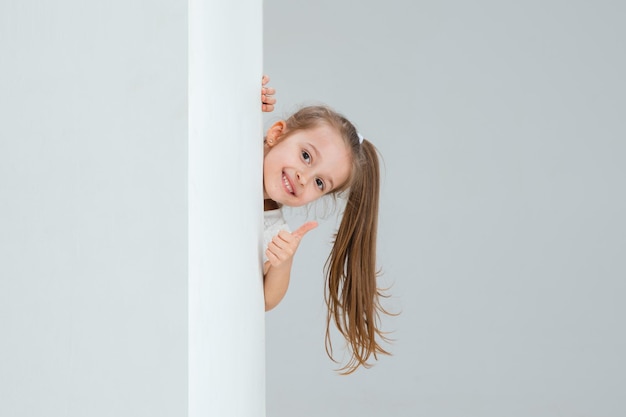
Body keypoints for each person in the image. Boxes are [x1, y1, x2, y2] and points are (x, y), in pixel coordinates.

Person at [261, 76, 390, 374]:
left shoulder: (273, 229)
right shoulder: (236, 147)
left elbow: (267, 299)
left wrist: (283, 262)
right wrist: (241, 102)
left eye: (319, 182)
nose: (303, 178)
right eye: (306, 156)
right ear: (277, 133)